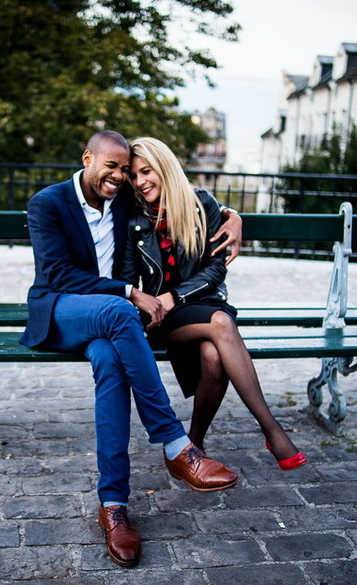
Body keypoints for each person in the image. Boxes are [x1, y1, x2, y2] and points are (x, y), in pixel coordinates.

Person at [19, 130, 243, 568]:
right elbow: (58, 274)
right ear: (88, 158)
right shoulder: (48, 203)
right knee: (121, 311)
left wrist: (234, 216)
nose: (120, 176)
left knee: (109, 360)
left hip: (108, 321)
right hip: (62, 310)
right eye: (112, 166)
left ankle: (113, 506)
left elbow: (185, 196)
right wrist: (128, 290)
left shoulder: (123, 199)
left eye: (125, 170)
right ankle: (176, 445)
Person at [121, 136, 308, 473]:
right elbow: (125, 273)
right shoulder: (133, 217)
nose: (140, 182)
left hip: (201, 303)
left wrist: (177, 294)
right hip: (164, 318)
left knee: (213, 356)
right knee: (222, 323)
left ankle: (194, 444)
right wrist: (146, 301)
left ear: (165, 167)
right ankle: (272, 430)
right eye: (135, 176)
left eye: (147, 171)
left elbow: (216, 266)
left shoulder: (200, 203)